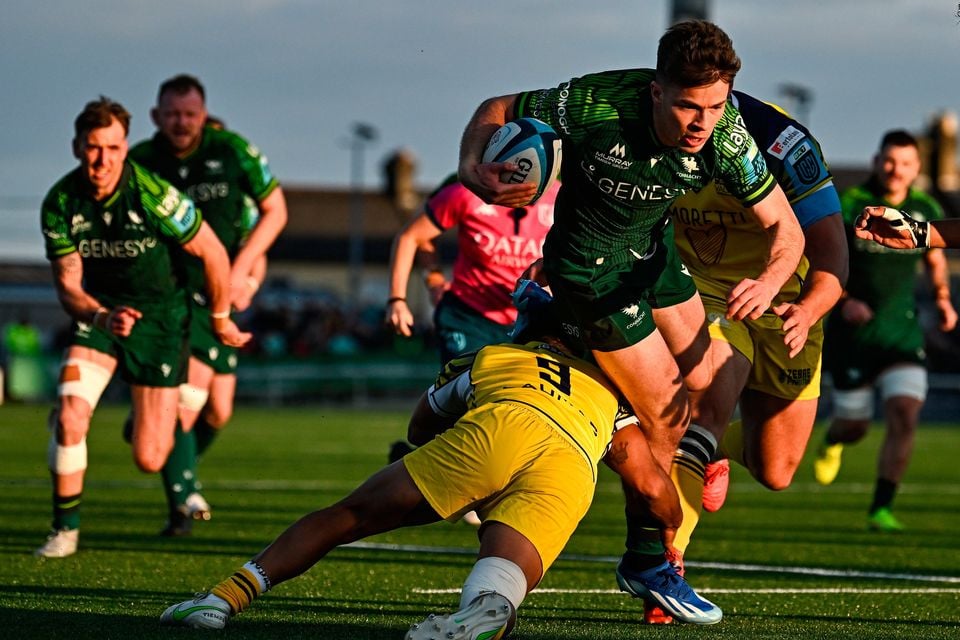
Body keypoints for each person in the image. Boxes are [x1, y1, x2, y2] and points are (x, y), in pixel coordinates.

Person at [159, 281, 721, 635]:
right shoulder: (611, 393)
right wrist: (670, 526)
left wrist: (447, 470)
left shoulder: (492, 355)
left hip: (502, 425)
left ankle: (220, 600)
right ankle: (483, 612)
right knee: (501, 582)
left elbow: (421, 423)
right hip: (572, 462)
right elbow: (650, 487)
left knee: (348, 517)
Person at [640, 92, 847, 623]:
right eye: (685, 102)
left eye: (709, 104)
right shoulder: (647, 127)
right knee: (706, 405)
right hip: (701, 291)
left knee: (777, 468)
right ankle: (668, 563)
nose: (695, 121)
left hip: (787, 300)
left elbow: (833, 257)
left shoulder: (784, 144)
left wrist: (805, 310)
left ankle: (716, 452)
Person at [35, 97, 249, 558]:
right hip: (100, 316)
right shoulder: (60, 202)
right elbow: (68, 288)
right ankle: (64, 530)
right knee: (73, 416)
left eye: (112, 148)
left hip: (161, 321)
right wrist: (98, 315)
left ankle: (141, 415)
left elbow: (212, 252)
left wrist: (219, 319)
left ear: (125, 147)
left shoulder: (153, 194)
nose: (102, 160)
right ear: (76, 147)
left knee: (150, 457)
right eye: (93, 147)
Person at [129, 74, 288, 536]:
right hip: (169, 298)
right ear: (157, 116)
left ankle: (160, 440)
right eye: (173, 114)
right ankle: (183, 498)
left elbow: (274, 213)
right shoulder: (140, 161)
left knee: (218, 410)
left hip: (219, 295)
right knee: (188, 399)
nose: (182, 123)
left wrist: (246, 273)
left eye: (190, 114)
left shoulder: (231, 151)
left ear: (204, 116)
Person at [815, 130, 957, 532]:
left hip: (901, 332)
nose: (897, 170)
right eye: (890, 161)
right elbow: (821, 256)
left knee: (904, 413)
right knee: (855, 427)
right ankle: (833, 440)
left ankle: (881, 505)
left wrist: (943, 299)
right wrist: (844, 301)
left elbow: (936, 259)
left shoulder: (924, 207)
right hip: (854, 337)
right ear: (877, 162)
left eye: (906, 163)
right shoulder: (849, 203)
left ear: (916, 168)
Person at [384, 175, 558, 470]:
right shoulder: (465, 191)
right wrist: (402, 297)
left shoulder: (562, 197)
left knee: (517, 410)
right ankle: (429, 458)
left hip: (525, 323)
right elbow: (412, 236)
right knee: (464, 402)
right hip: (467, 315)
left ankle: (422, 461)